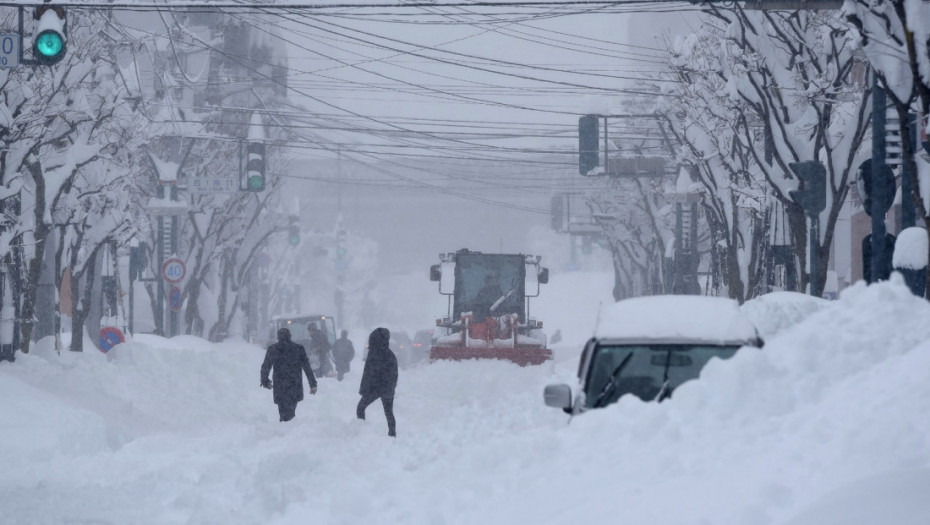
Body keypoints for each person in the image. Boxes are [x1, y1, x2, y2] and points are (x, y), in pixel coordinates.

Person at [261, 327, 317, 422]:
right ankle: (289, 425)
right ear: (290, 336)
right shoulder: (299, 349)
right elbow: (307, 368)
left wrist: (265, 381)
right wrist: (313, 384)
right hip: (295, 384)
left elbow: (266, 366)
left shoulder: (272, 349)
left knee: (282, 409)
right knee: (291, 409)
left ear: (278, 337)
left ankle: (285, 425)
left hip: (280, 385)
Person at [357, 327, 398, 437]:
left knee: (360, 408)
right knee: (389, 412)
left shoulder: (373, 354)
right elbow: (394, 375)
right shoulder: (391, 355)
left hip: (374, 389)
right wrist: (390, 389)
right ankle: (392, 434)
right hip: (387, 389)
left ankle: (361, 432)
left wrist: (365, 390)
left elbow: (368, 374)